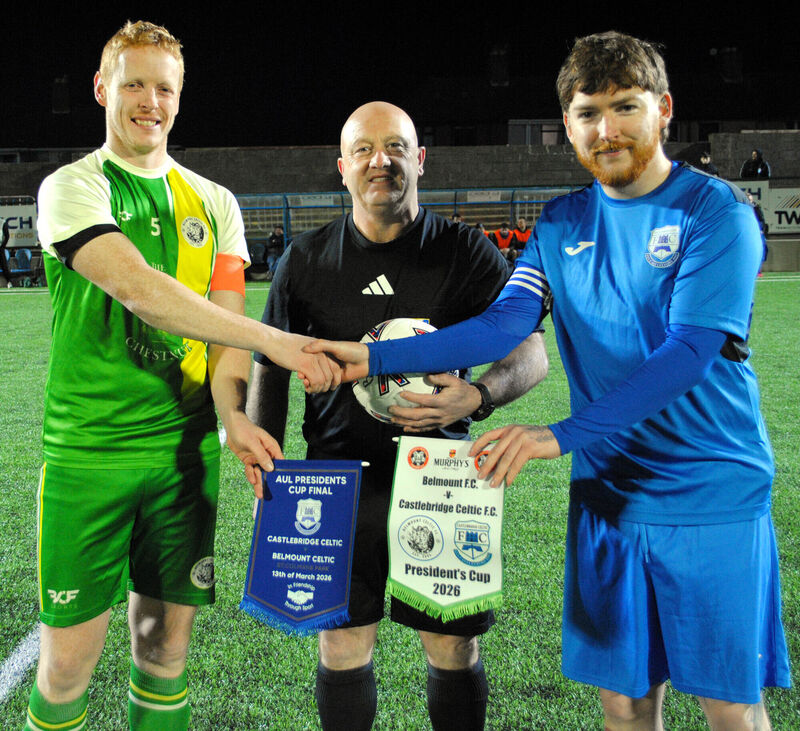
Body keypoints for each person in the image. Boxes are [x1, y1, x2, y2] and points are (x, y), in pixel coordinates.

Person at [308, 32, 791, 730]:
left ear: (663, 110)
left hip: (708, 496)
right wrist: (372, 358)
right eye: (587, 113)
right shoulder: (564, 223)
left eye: (624, 107)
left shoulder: (715, 214)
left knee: (729, 705)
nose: (607, 129)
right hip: (607, 498)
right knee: (624, 703)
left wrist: (557, 434)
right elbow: (504, 323)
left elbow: (688, 355)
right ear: (567, 126)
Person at [25, 20, 338, 731]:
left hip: (182, 459)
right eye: (133, 83)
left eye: (164, 87)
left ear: (180, 96)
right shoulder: (71, 188)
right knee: (68, 666)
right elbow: (140, 289)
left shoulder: (217, 203)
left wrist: (234, 419)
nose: (149, 101)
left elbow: (219, 334)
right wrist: (277, 341)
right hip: (89, 458)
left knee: (164, 650)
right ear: (103, 88)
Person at [247, 100, 548, 731]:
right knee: (343, 643)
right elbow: (269, 367)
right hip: (337, 478)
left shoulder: (466, 251)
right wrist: (267, 466)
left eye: (394, 148)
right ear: (342, 168)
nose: (379, 161)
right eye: (363, 150)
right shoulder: (304, 259)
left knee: (452, 646)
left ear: (420, 160)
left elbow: (531, 355)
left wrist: (481, 396)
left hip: (441, 473)